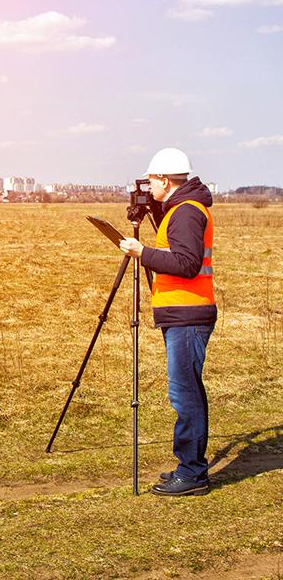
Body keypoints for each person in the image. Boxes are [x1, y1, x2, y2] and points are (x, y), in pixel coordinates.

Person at [119, 147, 217, 497]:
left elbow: (187, 263)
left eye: (151, 181)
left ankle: (192, 473)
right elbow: (176, 248)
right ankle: (189, 466)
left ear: (164, 179)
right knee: (186, 390)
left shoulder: (187, 213)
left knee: (185, 393)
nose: (149, 187)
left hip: (188, 313)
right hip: (183, 312)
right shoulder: (180, 210)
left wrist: (141, 253)